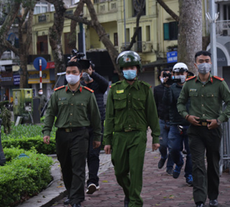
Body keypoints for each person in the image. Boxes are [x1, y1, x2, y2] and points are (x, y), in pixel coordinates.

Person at [177, 50, 230, 207]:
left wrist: (221, 119)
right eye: (201, 61)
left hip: (213, 129)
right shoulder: (189, 84)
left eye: (207, 61)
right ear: (195, 64)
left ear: (211, 63)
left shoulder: (219, 83)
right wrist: (187, 116)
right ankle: (199, 200)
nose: (204, 64)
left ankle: (213, 196)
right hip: (195, 130)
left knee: (213, 164)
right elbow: (180, 103)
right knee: (197, 165)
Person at [104, 51, 160, 207]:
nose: (129, 70)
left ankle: (135, 202)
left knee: (135, 172)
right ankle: (129, 193)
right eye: (126, 67)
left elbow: (152, 115)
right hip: (119, 137)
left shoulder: (145, 89)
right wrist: (107, 140)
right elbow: (109, 117)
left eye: (132, 67)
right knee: (119, 172)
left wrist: (156, 138)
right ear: (121, 70)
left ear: (138, 69)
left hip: (138, 136)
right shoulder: (114, 90)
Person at [42, 60, 102, 207]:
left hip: (80, 135)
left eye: (74, 72)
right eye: (68, 72)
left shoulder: (88, 95)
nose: (71, 75)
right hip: (62, 135)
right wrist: (46, 131)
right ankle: (71, 193)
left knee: (78, 168)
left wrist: (97, 137)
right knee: (66, 167)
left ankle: (76, 199)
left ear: (80, 75)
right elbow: (50, 113)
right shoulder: (58, 94)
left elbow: (95, 117)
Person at [81, 62, 109, 194]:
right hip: (81, 125)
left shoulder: (98, 85)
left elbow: (105, 83)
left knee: (93, 153)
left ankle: (93, 181)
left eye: (88, 69)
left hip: (97, 125)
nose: (86, 72)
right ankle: (79, 185)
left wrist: (92, 74)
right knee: (82, 155)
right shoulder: (79, 86)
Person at [163, 62, 193, 186]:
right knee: (174, 149)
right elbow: (167, 102)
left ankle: (189, 174)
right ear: (173, 74)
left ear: (186, 74)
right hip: (175, 124)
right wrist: (168, 87)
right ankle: (179, 163)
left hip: (191, 123)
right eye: (177, 74)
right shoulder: (171, 87)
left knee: (191, 152)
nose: (180, 75)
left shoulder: (192, 85)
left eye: (182, 73)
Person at [153, 67, 174, 174]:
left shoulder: (175, 87)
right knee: (163, 144)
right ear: (160, 77)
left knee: (172, 146)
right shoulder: (157, 89)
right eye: (164, 75)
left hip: (173, 120)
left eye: (168, 75)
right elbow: (154, 105)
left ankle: (170, 166)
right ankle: (163, 156)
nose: (166, 78)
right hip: (161, 120)